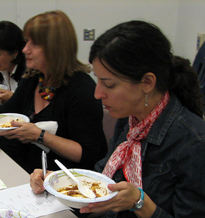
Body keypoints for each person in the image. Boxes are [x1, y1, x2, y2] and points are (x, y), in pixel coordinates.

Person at [30, 20, 205, 217]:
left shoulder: (193, 142)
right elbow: (103, 174)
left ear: (147, 82)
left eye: (109, 84)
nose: (97, 94)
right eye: (98, 80)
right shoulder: (130, 119)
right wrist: (62, 179)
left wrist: (140, 203)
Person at [0, 10, 107, 174]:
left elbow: (87, 155)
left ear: (56, 48)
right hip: (29, 171)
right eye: (27, 42)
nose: (25, 49)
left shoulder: (82, 89)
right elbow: (4, 111)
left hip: (64, 181)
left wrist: (39, 135)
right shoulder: (34, 78)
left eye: (34, 44)